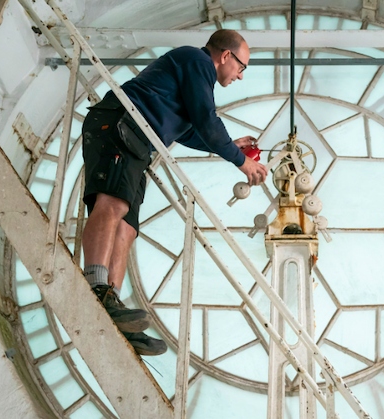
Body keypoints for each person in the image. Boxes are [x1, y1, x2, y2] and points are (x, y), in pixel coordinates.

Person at [80, 29, 268, 356]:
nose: (240, 75)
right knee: (112, 203)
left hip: (139, 140)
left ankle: (113, 305)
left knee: (127, 227)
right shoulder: (195, 60)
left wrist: (229, 145)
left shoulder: (192, 77)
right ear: (225, 56)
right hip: (122, 125)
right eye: (242, 67)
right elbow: (206, 122)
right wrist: (241, 162)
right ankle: (96, 289)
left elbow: (193, 131)